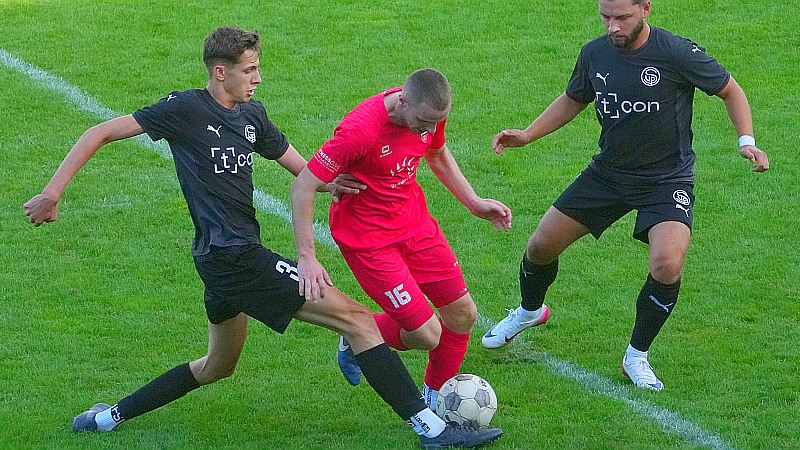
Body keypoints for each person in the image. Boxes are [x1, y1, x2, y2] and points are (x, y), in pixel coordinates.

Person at [23, 26, 502, 448]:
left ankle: (106, 418)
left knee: (216, 367)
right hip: (233, 257)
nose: (257, 78)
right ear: (220, 72)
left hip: (223, 261)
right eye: (249, 70)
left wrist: (331, 182)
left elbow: (295, 163)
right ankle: (431, 429)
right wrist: (51, 192)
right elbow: (101, 132)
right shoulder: (184, 109)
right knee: (359, 321)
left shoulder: (251, 115)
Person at [481, 0, 770, 391]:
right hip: (608, 174)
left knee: (667, 263)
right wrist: (528, 134)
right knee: (540, 246)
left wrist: (746, 141)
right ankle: (529, 311)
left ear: (645, 8)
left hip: (666, 180)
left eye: (622, 18)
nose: (613, 27)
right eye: (606, 17)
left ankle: (636, 356)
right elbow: (574, 98)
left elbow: (730, 91)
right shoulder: (594, 53)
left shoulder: (677, 52)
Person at [290, 68, 512, 408]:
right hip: (369, 240)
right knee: (427, 334)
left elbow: (437, 153)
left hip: (415, 225)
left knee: (463, 314)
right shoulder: (360, 131)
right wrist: (307, 257)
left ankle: (435, 402)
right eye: (425, 122)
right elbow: (303, 185)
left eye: (437, 122)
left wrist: (474, 202)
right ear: (403, 102)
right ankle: (355, 334)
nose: (430, 130)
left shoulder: (428, 112)